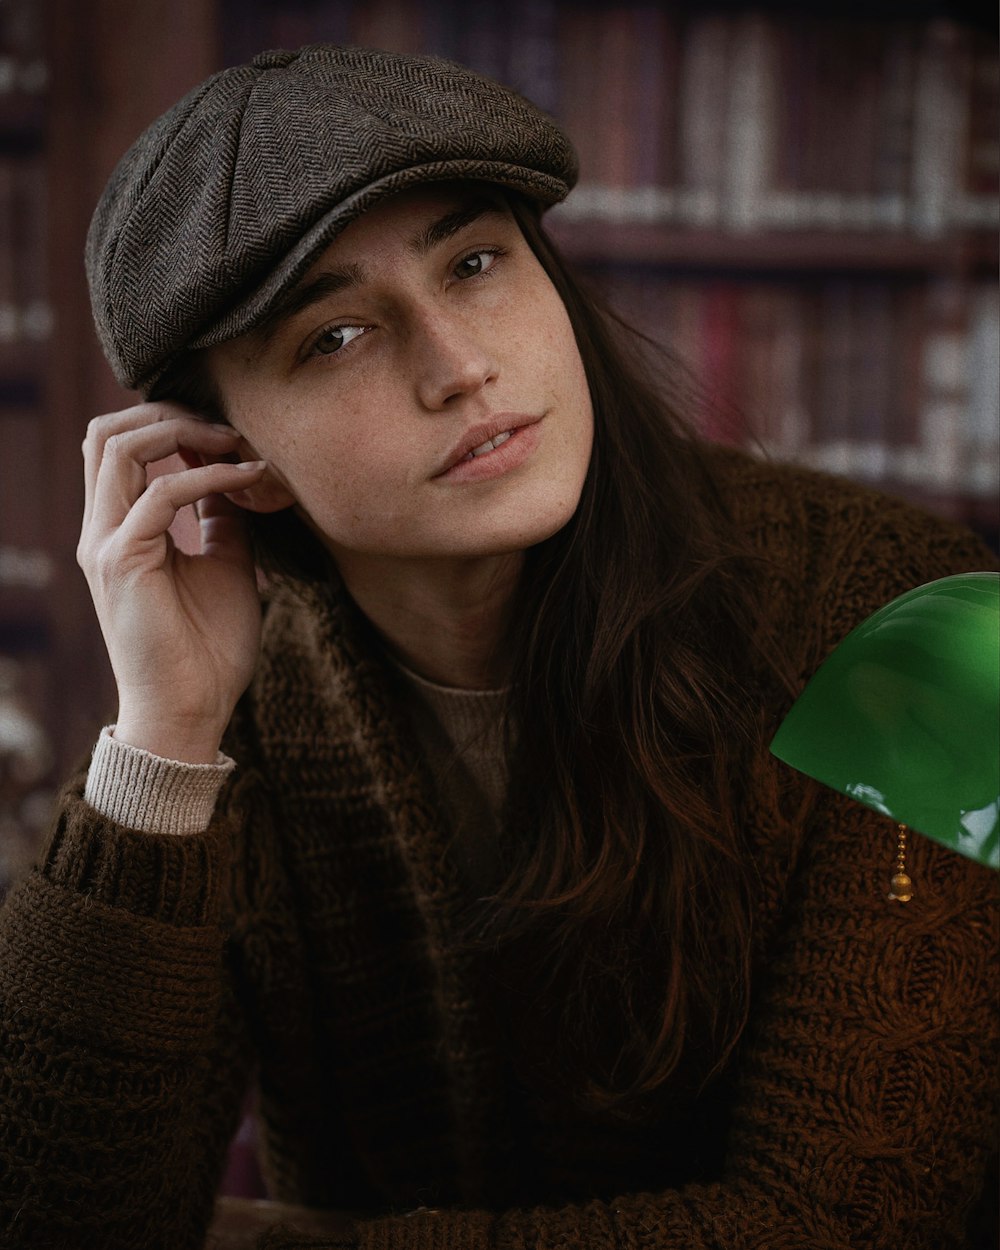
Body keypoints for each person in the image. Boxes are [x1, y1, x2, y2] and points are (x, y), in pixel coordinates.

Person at [0, 43, 996, 1250]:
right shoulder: (233, 704)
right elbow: (60, 1214)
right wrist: (161, 739)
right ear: (223, 453)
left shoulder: (929, 624)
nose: (459, 364)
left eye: (474, 263)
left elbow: (852, 1218)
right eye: (334, 337)